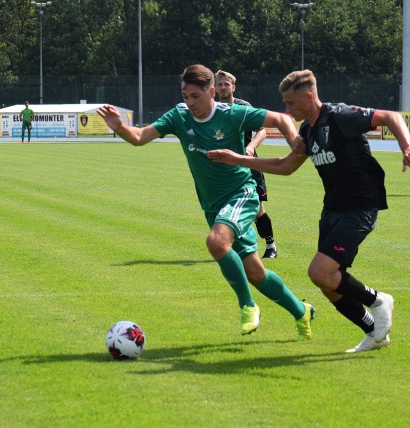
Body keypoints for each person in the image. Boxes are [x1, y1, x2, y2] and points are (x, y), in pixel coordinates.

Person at [208, 69, 410, 353]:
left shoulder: (339, 116)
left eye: (291, 103)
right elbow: (285, 167)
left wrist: (406, 146)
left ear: (309, 97)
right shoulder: (308, 132)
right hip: (332, 209)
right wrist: (237, 160)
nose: (287, 110)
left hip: (360, 205)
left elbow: (389, 116)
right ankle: (373, 333)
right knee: (330, 284)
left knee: (319, 272)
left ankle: (380, 301)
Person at [97, 64, 315, 340]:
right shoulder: (179, 116)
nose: (189, 103)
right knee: (255, 273)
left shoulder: (233, 113)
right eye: (185, 96)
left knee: (216, 242)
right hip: (213, 206)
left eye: (195, 96)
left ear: (212, 92)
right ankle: (301, 311)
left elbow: (282, 120)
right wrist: (119, 127)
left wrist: (295, 143)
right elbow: (140, 137)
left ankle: (247, 305)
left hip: (242, 195)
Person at [215, 70, 278, 259]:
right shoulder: (213, 110)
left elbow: (262, 131)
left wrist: (250, 146)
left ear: (233, 87)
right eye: (220, 84)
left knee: (257, 208)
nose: (223, 87)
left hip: (249, 165)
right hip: (225, 168)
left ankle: (271, 245)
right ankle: (236, 247)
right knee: (227, 208)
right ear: (215, 88)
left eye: (227, 84)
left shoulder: (243, 107)